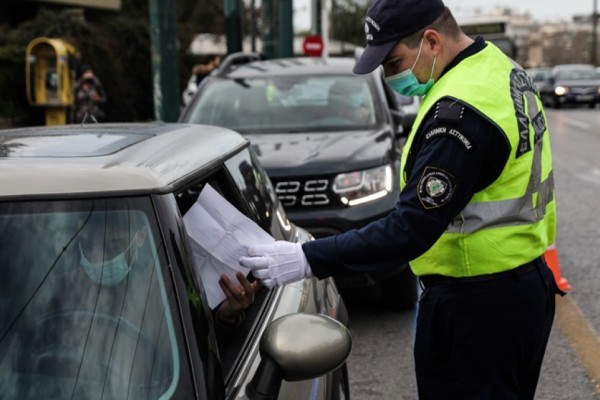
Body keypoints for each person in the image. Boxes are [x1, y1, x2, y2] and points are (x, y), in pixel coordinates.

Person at [239, 0, 564, 399]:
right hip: (520, 289)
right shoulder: (497, 68)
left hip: (477, 308)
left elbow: (409, 228)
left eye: (393, 62)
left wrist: (307, 258)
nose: (390, 75)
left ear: (430, 41)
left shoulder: (459, 115)